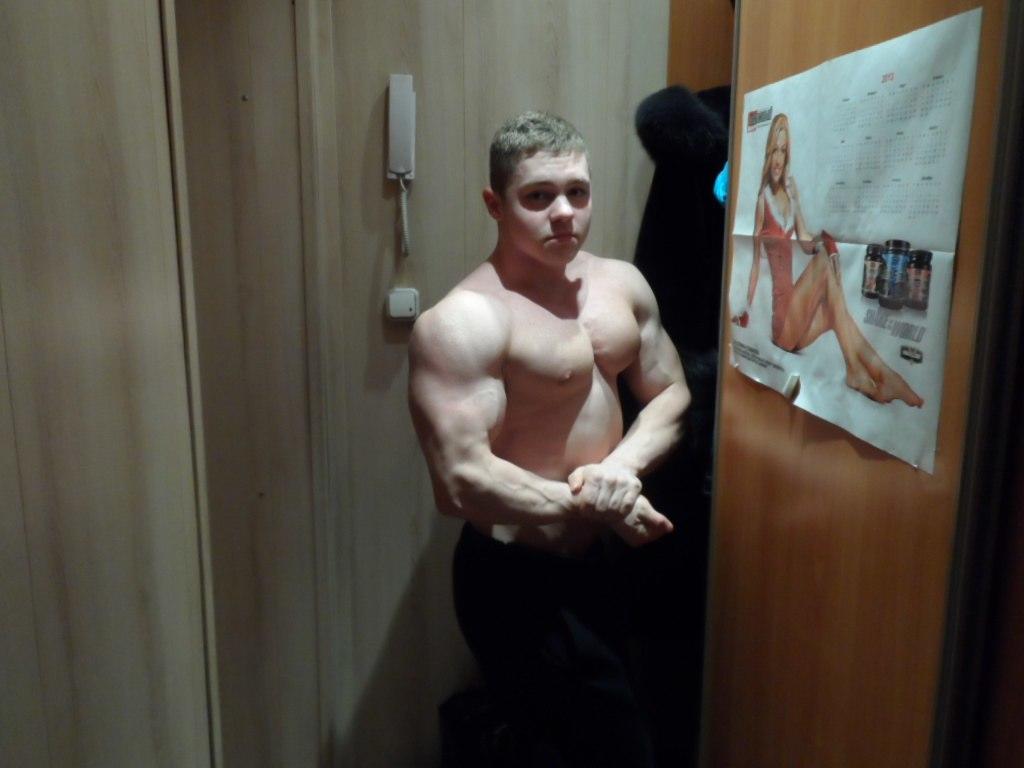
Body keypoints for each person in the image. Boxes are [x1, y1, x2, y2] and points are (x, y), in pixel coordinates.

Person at [408, 111, 690, 766]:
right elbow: (460, 481)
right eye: (538, 196)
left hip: (610, 558)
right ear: (495, 204)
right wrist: (594, 503)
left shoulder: (622, 284)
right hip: (517, 577)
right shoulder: (465, 321)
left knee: (640, 720)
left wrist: (620, 471)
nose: (564, 213)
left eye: (577, 193)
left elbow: (672, 394)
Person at [734, 113, 923, 407]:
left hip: (797, 326)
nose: (778, 159)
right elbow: (755, 263)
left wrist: (824, 238)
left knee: (838, 312)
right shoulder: (762, 200)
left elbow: (805, 242)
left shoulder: (790, 195)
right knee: (828, 275)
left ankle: (881, 375)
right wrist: (744, 310)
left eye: (783, 151)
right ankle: (865, 372)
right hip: (782, 325)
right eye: (774, 151)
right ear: (768, 154)